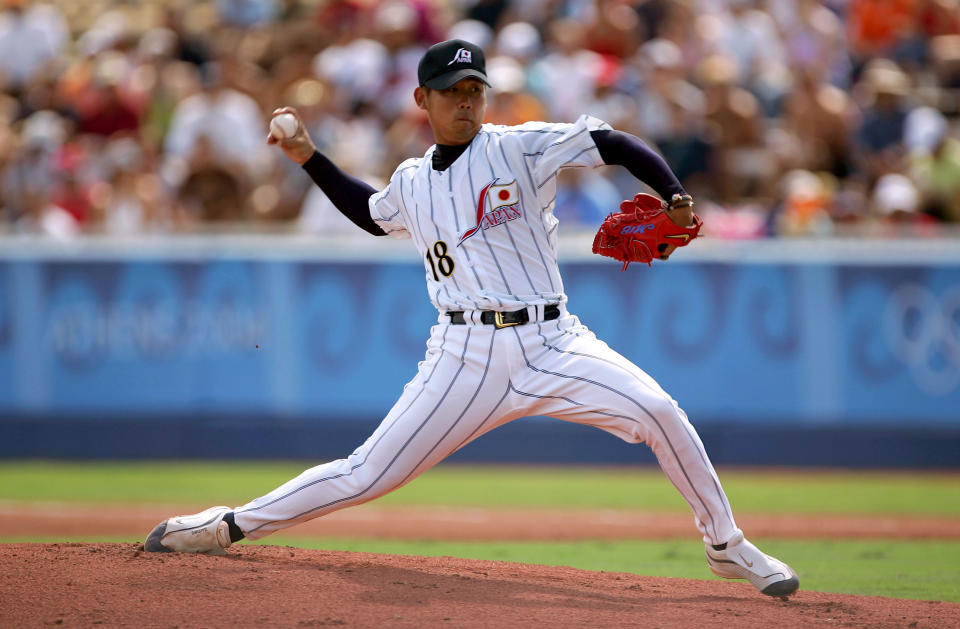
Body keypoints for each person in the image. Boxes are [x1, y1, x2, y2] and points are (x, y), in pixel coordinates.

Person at [145, 39, 799, 598]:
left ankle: (726, 543)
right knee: (367, 473)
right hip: (464, 356)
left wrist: (673, 194)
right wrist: (310, 159)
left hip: (554, 339)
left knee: (660, 411)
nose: (465, 101)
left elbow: (613, 142)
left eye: (474, 89)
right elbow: (370, 214)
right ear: (421, 101)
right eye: (451, 90)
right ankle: (227, 524)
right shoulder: (411, 180)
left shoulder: (518, 148)